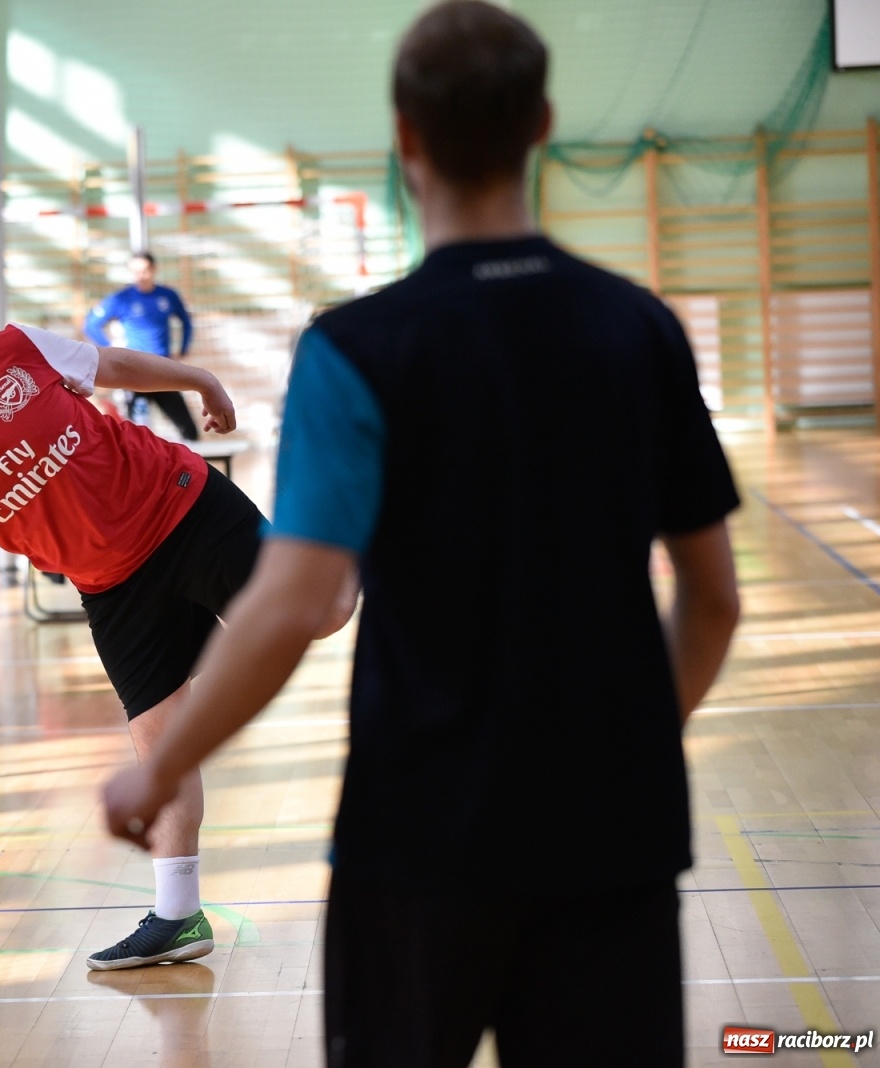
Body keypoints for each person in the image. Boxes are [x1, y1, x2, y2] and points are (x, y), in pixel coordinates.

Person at [100, 4, 742, 1066]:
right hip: (611, 831)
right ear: (542, 123)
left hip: (419, 835)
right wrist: (619, 745)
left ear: (403, 136)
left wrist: (164, 767)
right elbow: (712, 601)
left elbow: (296, 600)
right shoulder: (639, 330)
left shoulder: (357, 351)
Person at [0, 279, 354, 971]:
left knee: (324, 615)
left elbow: (109, 365)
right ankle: (179, 915)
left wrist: (201, 378)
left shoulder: (11, 350)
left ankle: (352, 520)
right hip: (112, 585)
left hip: (181, 508)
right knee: (159, 741)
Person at [83, 252, 200, 440]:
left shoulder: (167, 296)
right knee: (135, 434)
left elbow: (186, 321)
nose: (141, 276)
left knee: (188, 430)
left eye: (145, 271)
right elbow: (91, 325)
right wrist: (110, 348)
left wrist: (183, 348)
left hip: (164, 371)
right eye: (136, 272)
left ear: (153, 270)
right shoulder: (122, 298)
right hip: (135, 373)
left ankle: (195, 466)